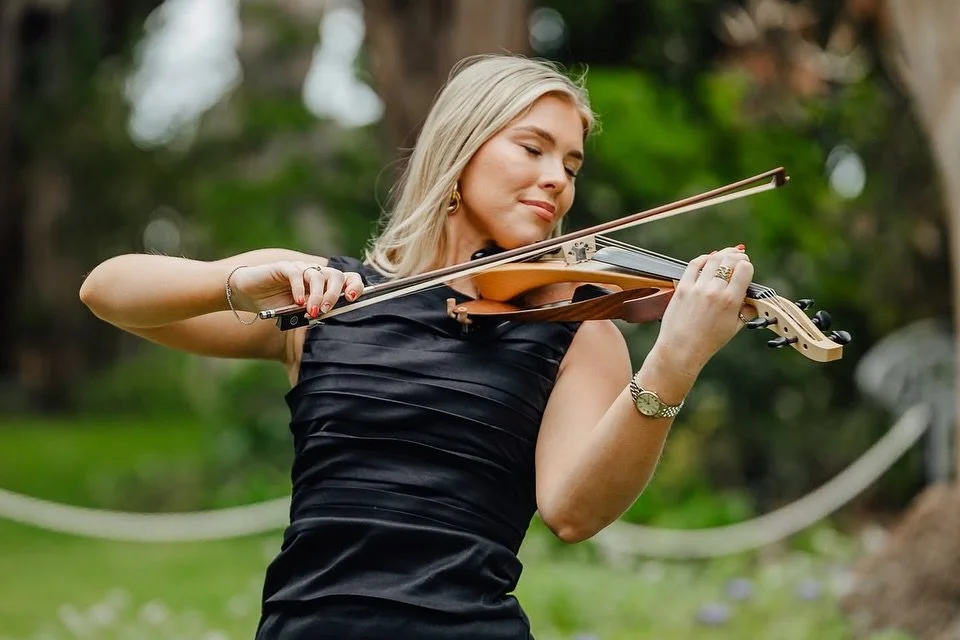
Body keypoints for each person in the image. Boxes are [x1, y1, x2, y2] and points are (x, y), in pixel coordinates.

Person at [79, 54, 753, 639]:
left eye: (571, 163)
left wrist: (675, 362)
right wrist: (235, 282)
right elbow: (106, 291)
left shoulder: (576, 329)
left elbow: (574, 513)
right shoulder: (324, 297)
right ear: (461, 149)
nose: (558, 178)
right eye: (533, 148)